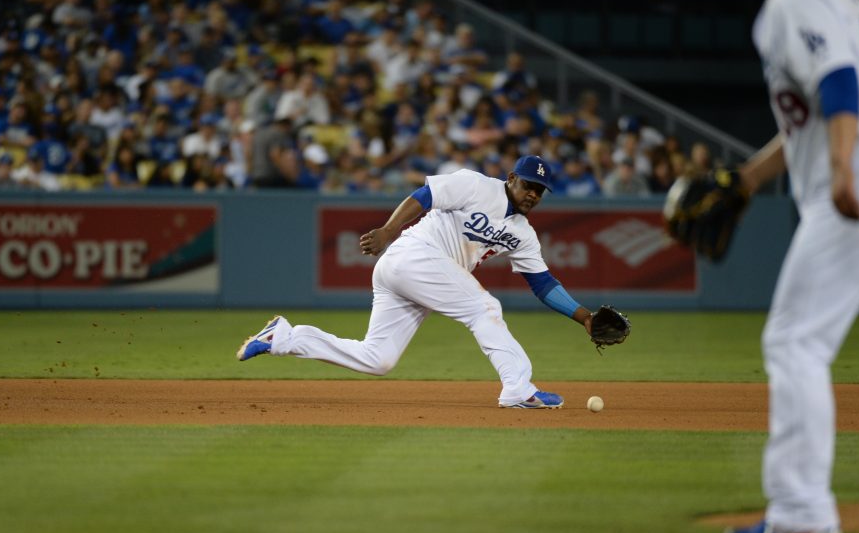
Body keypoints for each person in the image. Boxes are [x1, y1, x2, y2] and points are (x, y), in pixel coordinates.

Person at [723, 0, 859, 533]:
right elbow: (823, 107)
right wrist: (748, 178)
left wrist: (844, 170)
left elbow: (840, 84)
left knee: (794, 341)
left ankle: (801, 514)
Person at [236, 155, 597, 409]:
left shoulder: (524, 234)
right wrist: (389, 231)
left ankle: (284, 337)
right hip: (413, 254)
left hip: (420, 276)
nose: (533, 194)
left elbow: (543, 283)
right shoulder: (475, 185)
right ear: (511, 179)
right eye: (529, 185)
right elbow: (425, 196)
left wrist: (584, 317)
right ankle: (518, 389)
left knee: (378, 359)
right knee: (485, 307)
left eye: (541, 190)